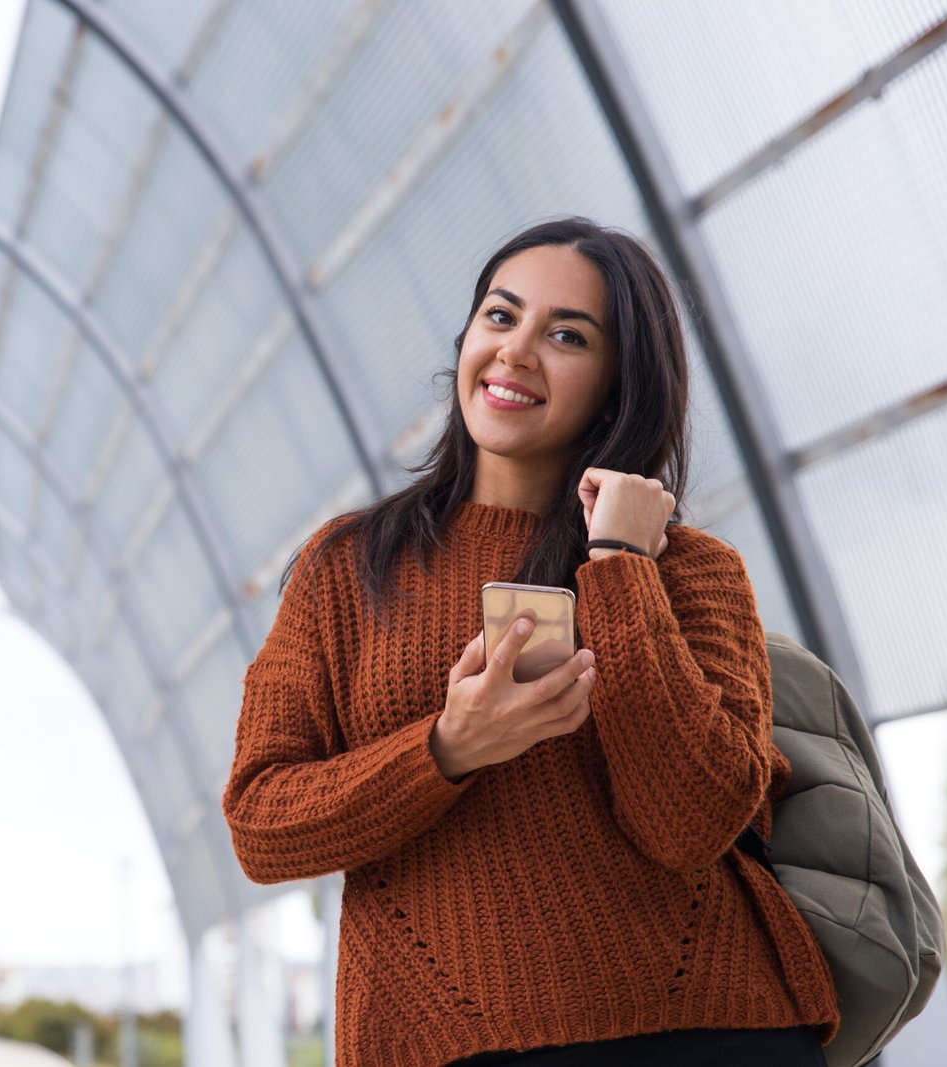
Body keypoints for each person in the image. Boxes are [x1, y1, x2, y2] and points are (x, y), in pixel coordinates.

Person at [221, 217, 840, 1067]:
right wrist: (445, 748)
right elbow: (262, 823)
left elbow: (690, 823)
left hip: (707, 1028)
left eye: (567, 335)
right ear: (467, 337)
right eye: (501, 317)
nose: (516, 351)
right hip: (448, 1039)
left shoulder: (691, 569)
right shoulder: (351, 566)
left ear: (620, 382)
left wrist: (620, 564)